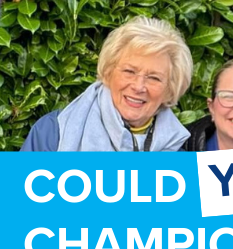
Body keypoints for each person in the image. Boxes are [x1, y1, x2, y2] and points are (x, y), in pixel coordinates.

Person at [21, 17, 192, 152]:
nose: (139, 86)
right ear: (108, 72)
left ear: (170, 90)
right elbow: (19, 195)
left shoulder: (179, 156)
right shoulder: (53, 132)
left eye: (154, 78)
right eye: (129, 71)